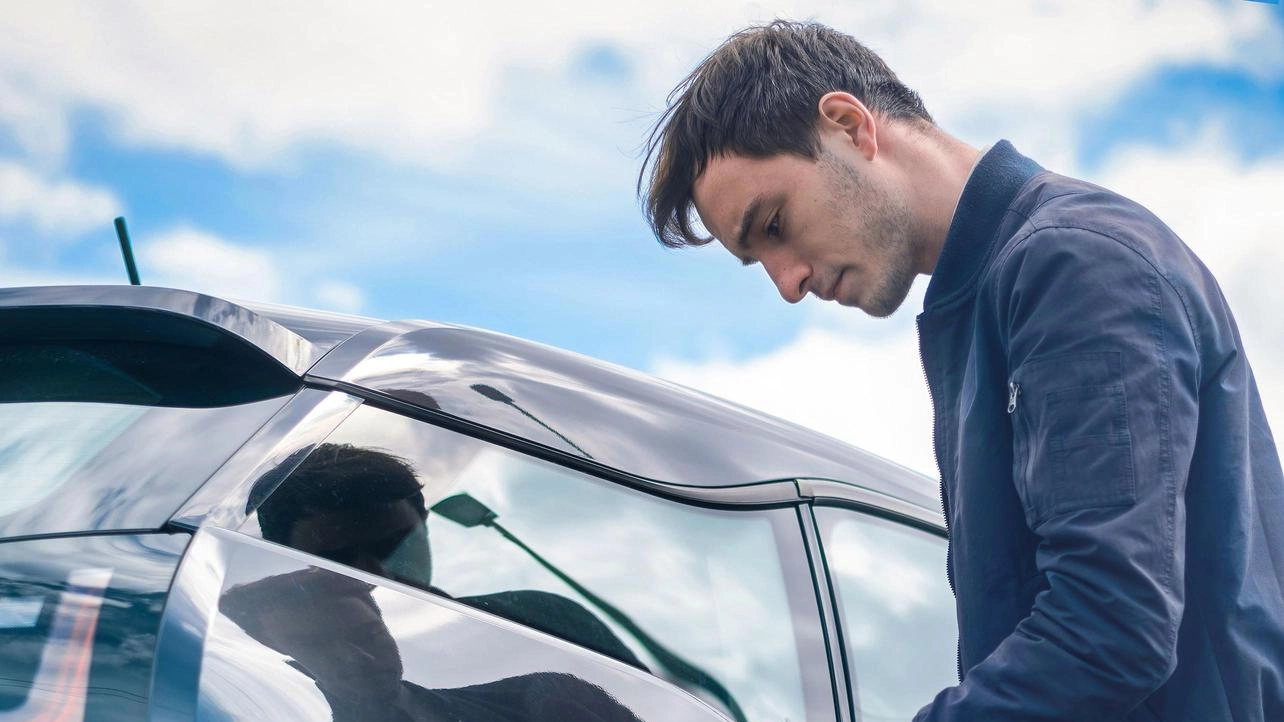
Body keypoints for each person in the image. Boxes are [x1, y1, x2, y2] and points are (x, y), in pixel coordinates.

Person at [638, 20, 1284, 721]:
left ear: (850, 127)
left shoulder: (1075, 266)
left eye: (774, 226)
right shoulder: (991, 304)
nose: (787, 283)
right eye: (756, 261)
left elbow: (1112, 625)